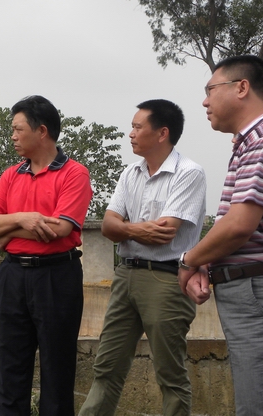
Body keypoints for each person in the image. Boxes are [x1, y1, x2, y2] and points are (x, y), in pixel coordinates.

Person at [179, 55, 263, 416]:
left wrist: (189, 261)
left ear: (242, 87)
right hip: (261, 289)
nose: (205, 101)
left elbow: (239, 225)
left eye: (210, 90)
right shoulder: (254, 142)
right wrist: (208, 262)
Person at [79, 100, 206, 416]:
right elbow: (108, 226)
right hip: (126, 275)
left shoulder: (188, 173)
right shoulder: (130, 173)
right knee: (107, 365)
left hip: (166, 279)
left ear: (162, 133)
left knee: (169, 373)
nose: (131, 133)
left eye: (138, 127)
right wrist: (136, 230)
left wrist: (124, 228)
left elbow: (165, 232)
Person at [0, 95, 93, 416]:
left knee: (57, 369)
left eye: (18, 129)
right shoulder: (11, 175)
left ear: (41, 131)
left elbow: (60, 229)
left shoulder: (74, 174)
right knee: (11, 366)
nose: (13, 136)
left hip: (56, 277)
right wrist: (21, 219)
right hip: (13, 276)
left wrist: (8, 232)